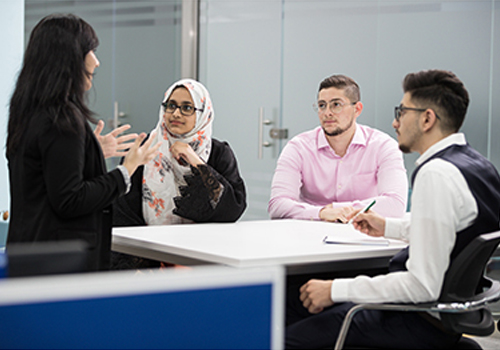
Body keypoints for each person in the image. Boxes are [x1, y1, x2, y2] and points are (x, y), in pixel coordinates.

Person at [286, 70, 500, 349]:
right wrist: (389, 227)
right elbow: (453, 233)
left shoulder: (436, 173)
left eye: (402, 111)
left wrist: (333, 289)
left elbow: (421, 286)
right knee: (296, 302)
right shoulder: (478, 165)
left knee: (284, 337)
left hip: (411, 320)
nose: (395, 122)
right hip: (444, 318)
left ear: (427, 118)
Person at [6, 14, 160, 271]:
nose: (96, 61)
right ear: (69, 55)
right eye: (91, 50)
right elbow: (70, 200)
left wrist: (90, 151)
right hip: (59, 261)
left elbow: (44, 174)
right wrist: (127, 170)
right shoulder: (62, 118)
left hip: (28, 251)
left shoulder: (29, 110)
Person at [112, 79, 246, 268]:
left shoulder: (218, 152)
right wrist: (147, 264)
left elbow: (232, 209)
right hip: (148, 256)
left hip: (205, 255)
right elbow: (123, 213)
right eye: (171, 105)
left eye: (187, 108)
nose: (176, 113)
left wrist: (195, 161)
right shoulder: (144, 150)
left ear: (203, 113)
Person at [268, 74, 408, 223]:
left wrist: (338, 209)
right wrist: (321, 213)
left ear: (357, 109)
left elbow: (395, 204)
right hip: (311, 230)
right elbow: (277, 205)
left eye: (336, 105)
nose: (327, 112)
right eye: (322, 105)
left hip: (365, 232)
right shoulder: (298, 148)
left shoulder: (383, 146)